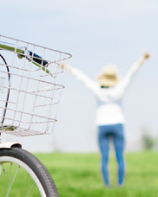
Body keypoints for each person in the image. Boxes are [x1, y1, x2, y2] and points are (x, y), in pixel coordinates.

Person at [62, 53, 150, 187]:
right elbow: (131, 74)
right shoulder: (119, 90)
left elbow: (83, 79)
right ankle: (120, 185)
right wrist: (142, 59)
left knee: (104, 158)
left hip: (102, 125)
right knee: (120, 157)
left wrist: (68, 68)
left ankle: (107, 185)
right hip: (117, 124)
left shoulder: (98, 90)